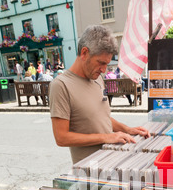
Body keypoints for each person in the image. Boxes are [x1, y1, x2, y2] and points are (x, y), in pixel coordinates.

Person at [49, 24, 150, 164]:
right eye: (101, 63)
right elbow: (61, 137)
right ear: (84, 53)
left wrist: (127, 129)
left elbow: (101, 117)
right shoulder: (61, 85)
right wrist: (106, 137)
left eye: (107, 64)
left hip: (111, 160)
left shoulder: (97, 79)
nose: (103, 70)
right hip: (89, 170)